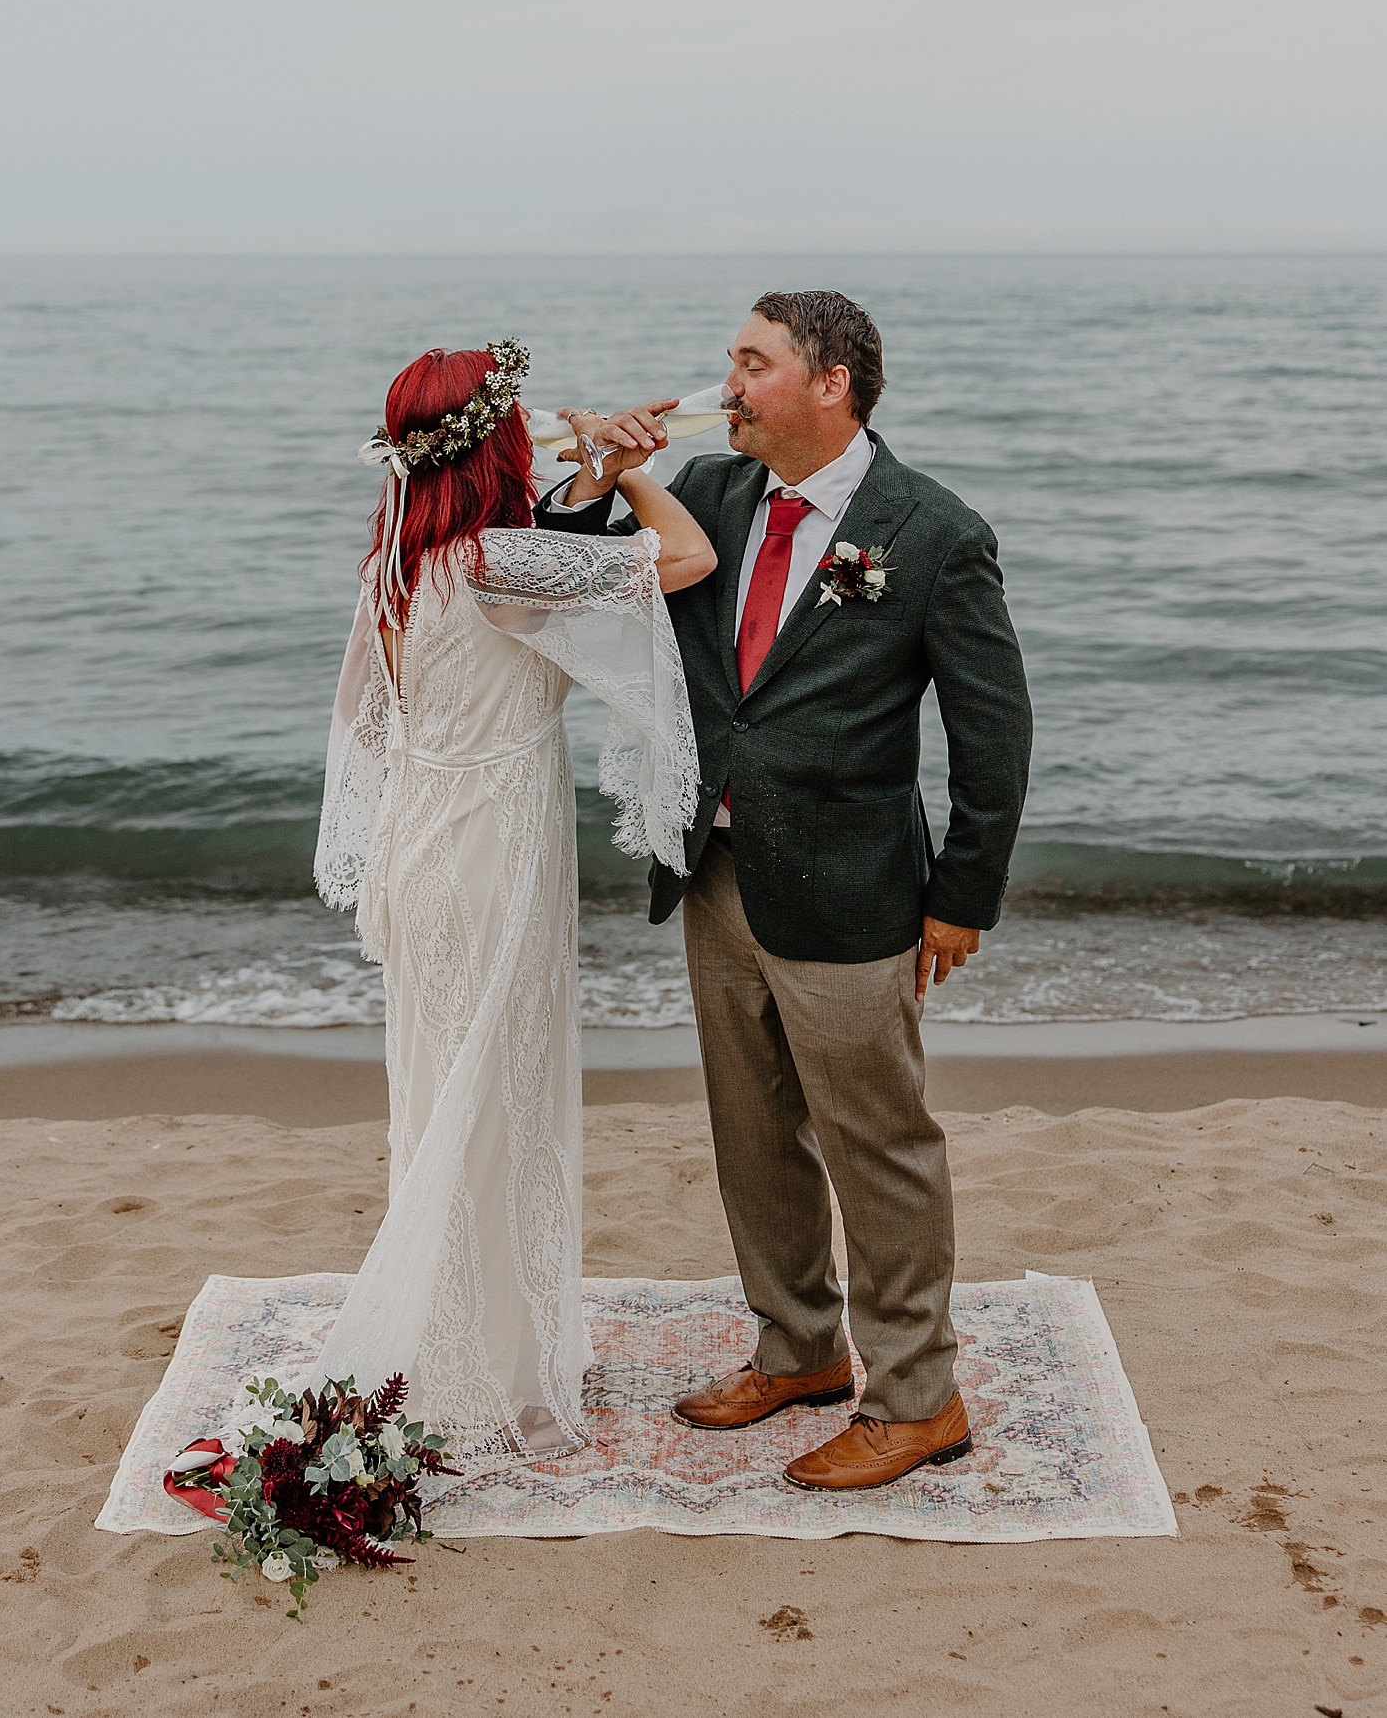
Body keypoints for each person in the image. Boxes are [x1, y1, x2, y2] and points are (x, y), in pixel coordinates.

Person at [538, 291, 1033, 1492]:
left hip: (854, 889)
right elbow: (574, 561)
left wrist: (961, 896)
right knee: (752, 1133)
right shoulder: (705, 493)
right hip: (714, 874)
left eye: (752, 364)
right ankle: (801, 1349)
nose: (729, 383)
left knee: (880, 1147)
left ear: (832, 383)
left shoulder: (931, 531)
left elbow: (994, 729)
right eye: (730, 361)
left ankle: (919, 1398)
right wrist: (600, 472)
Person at [311, 339, 715, 1465]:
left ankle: (470, 1342)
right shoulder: (498, 564)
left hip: (424, 847)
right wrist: (631, 471)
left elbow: (393, 710)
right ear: (495, 444)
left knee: (448, 1101)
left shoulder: (402, 562)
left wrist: (589, 472)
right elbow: (683, 554)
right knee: (502, 1107)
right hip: (493, 860)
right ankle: (508, 1380)